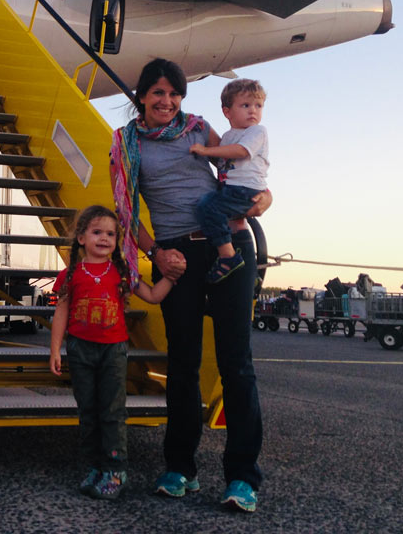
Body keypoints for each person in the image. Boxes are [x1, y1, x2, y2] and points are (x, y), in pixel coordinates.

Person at [110, 58, 270, 514]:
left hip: (229, 246)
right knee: (182, 362)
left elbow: (247, 172)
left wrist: (267, 199)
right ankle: (181, 467)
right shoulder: (126, 143)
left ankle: (242, 476)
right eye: (158, 92)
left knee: (235, 361)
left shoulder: (200, 129)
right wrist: (156, 254)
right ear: (141, 96)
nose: (167, 101)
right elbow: (126, 214)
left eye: (174, 93)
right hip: (176, 256)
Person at [49, 205, 175, 501]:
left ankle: (116, 470)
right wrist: (55, 349)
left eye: (110, 234)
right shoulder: (71, 274)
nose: (104, 239)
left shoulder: (123, 272)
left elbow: (154, 296)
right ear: (81, 238)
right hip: (80, 349)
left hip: (113, 351)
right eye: (97, 232)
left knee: (112, 411)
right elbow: (62, 310)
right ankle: (95, 466)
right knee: (88, 412)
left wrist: (172, 275)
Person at [189, 79, 269, 284]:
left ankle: (228, 255)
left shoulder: (257, 132)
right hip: (232, 188)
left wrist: (205, 150)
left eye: (258, 106)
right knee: (211, 209)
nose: (253, 111)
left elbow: (241, 152)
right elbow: (223, 163)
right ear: (227, 112)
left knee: (207, 207)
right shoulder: (227, 136)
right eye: (245, 105)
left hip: (245, 189)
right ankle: (246, 270)